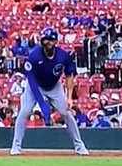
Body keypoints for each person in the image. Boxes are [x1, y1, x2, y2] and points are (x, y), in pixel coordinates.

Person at [9, 28, 90, 156]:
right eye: (46, 40)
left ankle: (79, 146)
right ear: (42, 41)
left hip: (54, 87)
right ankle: (16, 146)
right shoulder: (34, 56)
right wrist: (41, 103)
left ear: (56, 41)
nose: (48, 42)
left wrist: (69, 97)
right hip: (35, 86)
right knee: (24, 112)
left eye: (51, 40)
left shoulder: (63, 56)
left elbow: (69, 76)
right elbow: (31, 79)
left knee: (66, 113)